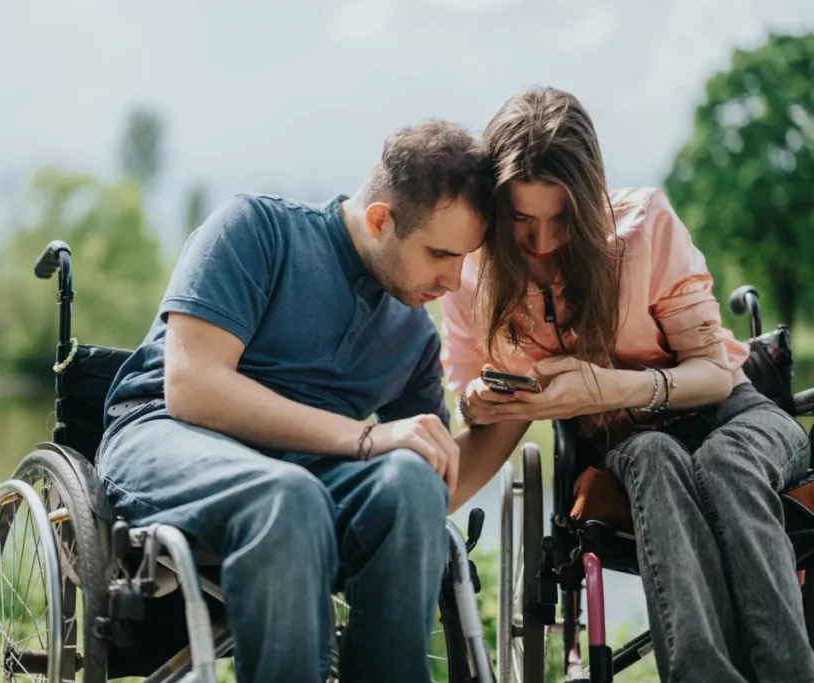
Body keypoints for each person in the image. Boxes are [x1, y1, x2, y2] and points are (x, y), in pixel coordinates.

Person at [95, 119, 493, 683]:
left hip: (303, 473)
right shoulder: (256, 229)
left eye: (463, 259)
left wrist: (516, 409)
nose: (452, 281)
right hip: (167, 434)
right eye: (438, 254)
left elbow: (435, 474)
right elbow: (192, 387)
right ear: (379, 220)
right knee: (288, 496)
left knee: (411, 485)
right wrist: (364, 436)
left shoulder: (414, 338)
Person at [440, 86, 814, 682]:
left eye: (562, 218)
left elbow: (714, 375)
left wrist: (607, 389)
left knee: (723, 461)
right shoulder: (472, 277)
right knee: (652, 453)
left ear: (589, 200)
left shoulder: (644, 228)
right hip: (629, 444)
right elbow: (477, 411)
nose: (542, 243)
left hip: (736, 412)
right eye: (520, 219)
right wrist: (477, 406)